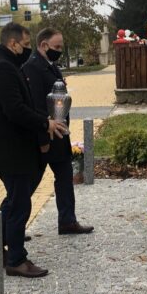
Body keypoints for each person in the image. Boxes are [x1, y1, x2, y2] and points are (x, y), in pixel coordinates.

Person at [0, 22, 67, 278]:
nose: (28, 49)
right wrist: (45, 123)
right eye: (26, 45)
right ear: (13, 43)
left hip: (13, 149)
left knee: (13, 201)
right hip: (12, 150)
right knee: (19, 205)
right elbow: (15, 109)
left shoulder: (8, 66)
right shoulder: (3, 69)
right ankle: (16, 259)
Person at [23, 28, 94, 235]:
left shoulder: (50, 66)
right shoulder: (32, 68)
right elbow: (35, 105)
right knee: (28, 185)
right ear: (43, 45)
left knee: (64, 178)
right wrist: (42, 138)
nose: (60, 51)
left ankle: (67, 221)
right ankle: (11, 229)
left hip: (60, 134)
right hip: (45, 136)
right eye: (57, 47)